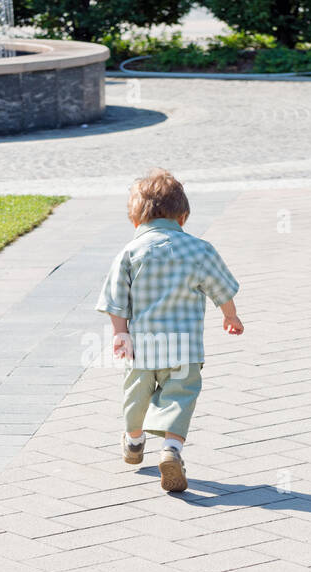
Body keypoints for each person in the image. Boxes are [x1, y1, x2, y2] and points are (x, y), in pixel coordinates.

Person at [95, 168, 243, 492]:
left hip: (143, 348)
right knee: (180, 396)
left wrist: (120, 333)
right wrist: (230, 316)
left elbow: (115, 299)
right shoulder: (200, 250)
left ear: (136, 220)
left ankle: (134, 441)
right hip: (185, 349)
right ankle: (171, 450)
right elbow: (222, 288)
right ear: (183, 216)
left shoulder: (130, 253)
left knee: (136, 395)